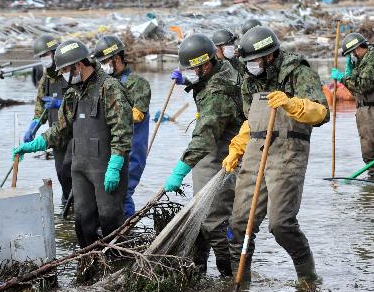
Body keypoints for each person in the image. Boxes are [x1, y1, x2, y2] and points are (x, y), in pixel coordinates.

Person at [223, 26, 329, 282]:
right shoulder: (250, 80)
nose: (250, 66)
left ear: (269, 55)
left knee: (280, 224)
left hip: (288, 151)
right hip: (255, 151)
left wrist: (293, 104)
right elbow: (251, 121)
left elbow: (322, 113)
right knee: (239, 224)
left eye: (254, 61)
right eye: (246, 62)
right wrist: (237, 148)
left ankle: (308, 279)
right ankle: (241, 284)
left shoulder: (297, 72)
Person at [13, 39, 133, 248]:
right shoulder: (72, 94)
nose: (62, 75)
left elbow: (122, 131)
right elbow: (59, 131)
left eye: (66, 69)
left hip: (106, 168)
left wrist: (115, 165)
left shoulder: (110, 88)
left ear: (79, 65)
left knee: (109, 219)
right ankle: (89, 266)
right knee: (82, 221)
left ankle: (117, 265)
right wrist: (34, 145)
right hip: (80, 168)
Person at [163, 34, 246, 277]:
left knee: (213, 219)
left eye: (191, 69)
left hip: (225, 156)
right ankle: (198, 269)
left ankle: (230, 273)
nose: (188, 73)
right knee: (201, 219)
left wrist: (180, 170)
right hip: (214, 152)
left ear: (206, 64)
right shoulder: (218, 70)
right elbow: (205, 84)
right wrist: (189, 82)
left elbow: (203, 138)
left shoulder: (217, 92)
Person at [93, 35, 152, 217]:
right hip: (109, 149)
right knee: (105, 194)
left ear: (117, 59)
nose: (102, 66)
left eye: (104, 61)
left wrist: (110, 116)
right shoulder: (101, 83)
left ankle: (126, 233)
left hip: (132, 150)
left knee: (124, 193)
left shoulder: (137, 83)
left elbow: (137, 115)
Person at [331, 32, 374, 178]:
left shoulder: (373, 61)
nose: (351, 57)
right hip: (365, 110)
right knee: (368, 151)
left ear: (356, 50)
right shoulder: (363, 61)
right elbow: (355, 88)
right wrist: (350, 72)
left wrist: (343, 78)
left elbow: (362, 85)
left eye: (350, 54)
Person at [25, 34, 72, 203]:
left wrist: (60, 103)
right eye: (41, 57)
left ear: (54, 53)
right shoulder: (45, 79)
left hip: (76, 134)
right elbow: (39, 111)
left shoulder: (70, 72)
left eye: (45, 55)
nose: (43, 59)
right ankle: (67, 205)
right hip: (56, 136)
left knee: (70, 167)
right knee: (61, 172)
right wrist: (33, 127)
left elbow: (84, 101)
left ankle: (78, 204)